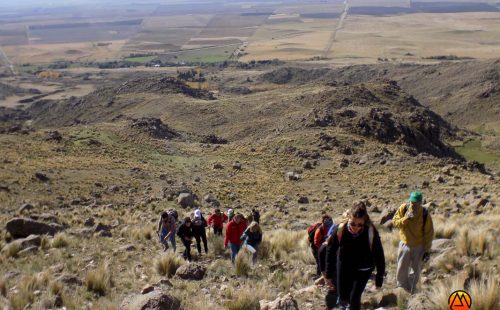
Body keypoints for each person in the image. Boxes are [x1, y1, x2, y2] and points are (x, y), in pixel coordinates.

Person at [324, 202, 385, 310]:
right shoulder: (340, 229)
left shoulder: (370, 232)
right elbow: (330, 250)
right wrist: (328, 274)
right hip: (345, 265)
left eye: (360, 224)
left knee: (354, 298)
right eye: (353, 223)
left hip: (363, 268)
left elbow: (379, 255)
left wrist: (379, 277)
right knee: (343, 296)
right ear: (349, 218)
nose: (356, 227)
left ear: (364, 221)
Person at [392, 191, 434, 294]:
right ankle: (401, 287)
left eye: (416, 203)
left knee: (416, 269)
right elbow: (395, 222)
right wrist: (406, 219)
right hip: (405, 244)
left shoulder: (424, 214)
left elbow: (429, 233)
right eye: (412, 202)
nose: (413, 205)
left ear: (420, 202)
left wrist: (427, 250)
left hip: (418, 246)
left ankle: (412, 289)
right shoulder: (404, 208)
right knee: (402, 266)